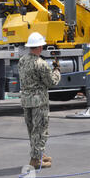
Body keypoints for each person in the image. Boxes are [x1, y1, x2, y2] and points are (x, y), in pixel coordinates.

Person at [18, 32, 61, 169]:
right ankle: (35, 160)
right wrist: (57, 70)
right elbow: (51, 82)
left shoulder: (22, 60)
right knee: (41, 130)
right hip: (39, 102)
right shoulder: (41, 63)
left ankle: (39, 154)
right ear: (40, 47)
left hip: (26, 100)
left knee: (32, 129)